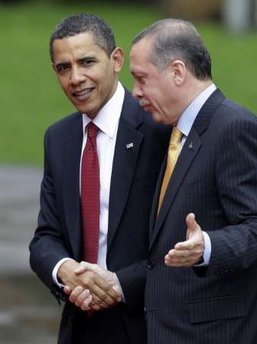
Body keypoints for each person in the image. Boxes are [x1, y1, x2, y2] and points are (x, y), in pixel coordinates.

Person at [29, 13, 170, 344]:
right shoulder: (58, 138)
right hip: (80, 325)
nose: (76, 78)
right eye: (64, 68)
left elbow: (176, 241)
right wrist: (65, 271)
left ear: (116, 60)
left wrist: (117, 285)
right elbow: (45, 238)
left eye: (87, 62)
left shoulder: (160, 129)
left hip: (146, 325)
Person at [129, 18, 257, 344]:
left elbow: (254, 226)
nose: (136, 92)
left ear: (177, 71)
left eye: (142, 79)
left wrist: (208, 248)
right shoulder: (175, 131)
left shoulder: (233, 127)